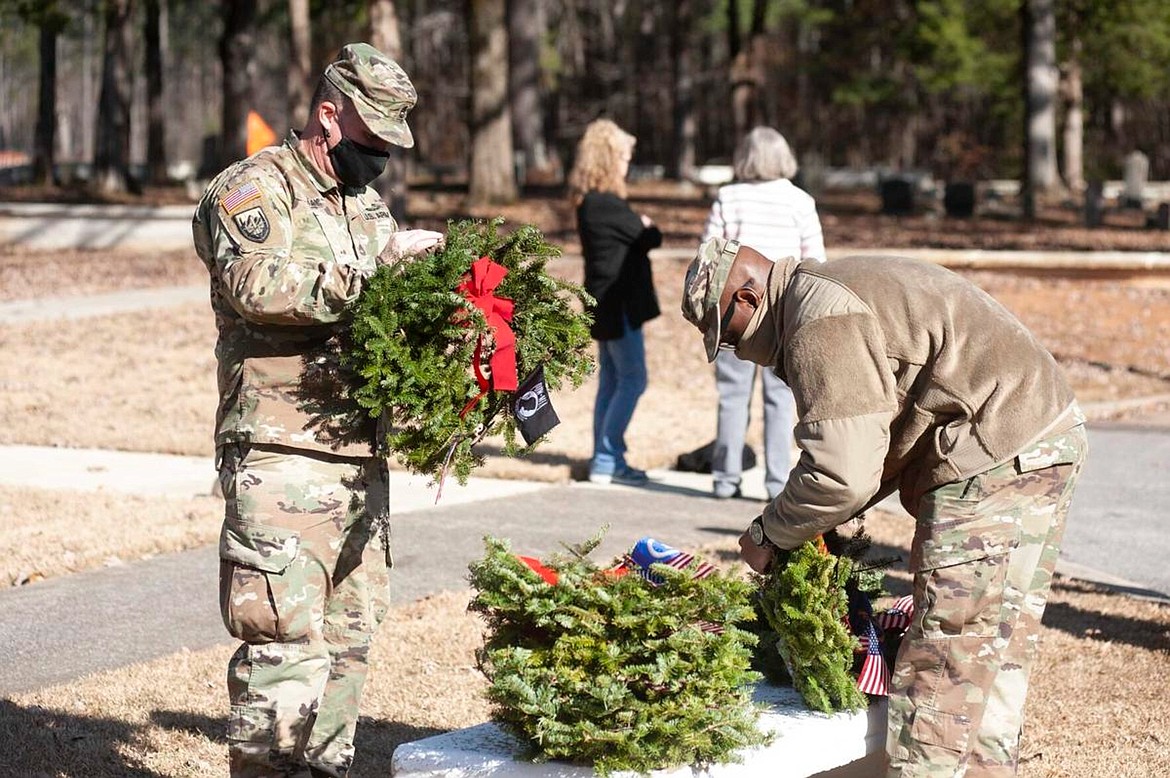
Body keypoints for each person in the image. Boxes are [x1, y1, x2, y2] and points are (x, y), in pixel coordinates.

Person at [681, 238, 1088, 777]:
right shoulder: (832, 291)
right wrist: (816, 522)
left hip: (991, 450)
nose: (737, 351)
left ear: (750, 298)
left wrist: (769, 532)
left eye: (728, 338)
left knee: (942, 662)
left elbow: (841, 472)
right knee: (992, 654)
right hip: (1041, 436)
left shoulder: (817, 320)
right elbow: (874, 445)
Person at [192, 43, 443, 778]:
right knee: (282, 654)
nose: (381, 161)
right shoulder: (252, 189)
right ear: (327, 116)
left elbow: (386, 315)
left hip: (361, 458)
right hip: (282, 456)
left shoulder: (364, 206)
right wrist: (375, 275)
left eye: (392, 148)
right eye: (371, 142)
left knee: (346, 652)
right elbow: (254, 283)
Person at [700, 126, 825, 501]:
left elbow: (709, 252)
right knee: (780, 398)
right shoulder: (800, 201)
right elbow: (816, 260)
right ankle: (775, 482)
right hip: (782, 312)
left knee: (732, 396)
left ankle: (725, 478)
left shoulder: (728, 197)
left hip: (733, 312)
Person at [568, 118, 662, 486]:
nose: (627, 164)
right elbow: (650, 236)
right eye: (623, 156)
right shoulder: (605, 204)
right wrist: (646, 224)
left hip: (604, 301)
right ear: (608, 159)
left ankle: (605, 458)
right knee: (633, 379)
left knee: (612, 379)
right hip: (617, 303)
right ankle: (608, 459)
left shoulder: (591, 203)